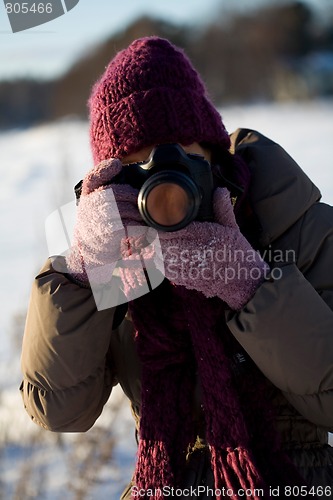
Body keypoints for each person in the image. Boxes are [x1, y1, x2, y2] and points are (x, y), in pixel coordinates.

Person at [20, 37, 333, 499]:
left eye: (182, 153)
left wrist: (251, 284)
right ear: (112, 179)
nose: (165, 180)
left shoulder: (294, 225)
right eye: (137, 163)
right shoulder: (116, 253)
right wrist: (82, 278)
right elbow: (60, 410)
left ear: (213, 155)